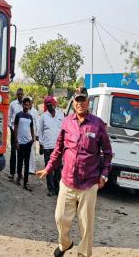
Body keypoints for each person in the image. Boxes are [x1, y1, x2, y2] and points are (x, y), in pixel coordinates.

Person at [36, 87, 113, 257]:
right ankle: (65, 244)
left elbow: (107, 153)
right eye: (77, 100)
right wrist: (48, 168)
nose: (80, 103)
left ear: (88, 102)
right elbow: (58, 149)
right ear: (74, 102)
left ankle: (83, 254)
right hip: (67, 181)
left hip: (89, 183)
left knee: (86, 225)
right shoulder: (66, 122)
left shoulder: (98, 124)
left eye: (83, 99)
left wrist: (104, 174)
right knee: (60, 217)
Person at [38, 96, 64, 196]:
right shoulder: (44, 116)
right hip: (47, 147)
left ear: (54, 104)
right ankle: (51, 189)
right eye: (47, 104)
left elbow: (64, 129)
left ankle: (57, 189)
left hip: (58, 147)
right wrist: (41, 145)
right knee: (48, 169)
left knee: (58, 169)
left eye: (51, 104)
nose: (49, 106)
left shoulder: (61, 115)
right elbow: (40, 132)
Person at [14, 97, 35, 191]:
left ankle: (26, 182)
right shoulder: (18, 115)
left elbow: (31, 128)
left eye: (28, 104)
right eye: (25, 104)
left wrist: (33, 138)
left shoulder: (30, 117)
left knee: (27, 163)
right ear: (22, 105)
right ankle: (18, 177)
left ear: (30, 105)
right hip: (20, 143)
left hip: (28, 143)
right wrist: (16, 141)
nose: (26, 106)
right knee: (19, 161)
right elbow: (15, 128)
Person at [8, 88, 24, 181]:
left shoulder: (25, 104)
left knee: (21, 153)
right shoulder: (12, 104)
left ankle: (19, 173)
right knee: (13, 152)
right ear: (16, 95)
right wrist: (11, 127)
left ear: (23, 94)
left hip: (22, 133)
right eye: (18, 94)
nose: (20, 95)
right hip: (14, 131)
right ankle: (12, 173)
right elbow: (9, 117)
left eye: (21, 94)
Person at [28, 97, 39, 175]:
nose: (29, 104)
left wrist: (37, 134)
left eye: (30, 102)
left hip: (33, 134)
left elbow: (37, 123)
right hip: (26, 135)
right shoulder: (24, 110)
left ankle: (32, 169)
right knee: (27, 152)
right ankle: (29, 168)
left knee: (32, 151)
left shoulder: (35, 111)